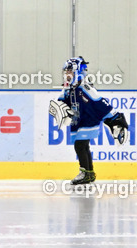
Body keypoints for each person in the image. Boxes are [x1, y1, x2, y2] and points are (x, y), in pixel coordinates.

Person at [49, 57, 129, 185]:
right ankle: (90, 173)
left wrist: (114, 116)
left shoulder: (85, 87)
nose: (67, 75)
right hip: (79, 121)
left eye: (70, 72)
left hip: (88, 120)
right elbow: (62, 101)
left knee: (80, 145)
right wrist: (60, 106)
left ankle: (85, 173)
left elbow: (100, 101)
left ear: (78, 72)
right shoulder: (69, 88)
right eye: (66, 72)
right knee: (84, 146)